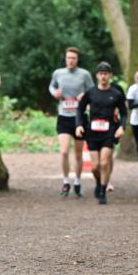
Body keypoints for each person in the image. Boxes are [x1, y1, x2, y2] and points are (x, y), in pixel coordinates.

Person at [75, 62, 126, 204]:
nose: (103, 76)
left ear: (110, 75)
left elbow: (124, 112)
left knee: (104, 163)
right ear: (97, 76)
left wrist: (122, 127)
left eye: (106, 73)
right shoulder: (90, 93)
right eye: (101, 74)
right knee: (95, 166)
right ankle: (98, 182)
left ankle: (103, 191)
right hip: (92, 131)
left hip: (109, 131)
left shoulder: (116, 93)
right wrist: (79, 125)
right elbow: (80, 109)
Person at [48, 47, 93, 197]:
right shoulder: (58, 73)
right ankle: (66, 181)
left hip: (79, 118)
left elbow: (93, 92)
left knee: (78, 154)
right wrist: (55, 93)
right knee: (64, 151)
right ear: (65, 59)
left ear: (77, 59)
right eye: (68, 58)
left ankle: (78, 181)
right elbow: (52, 86)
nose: (70, 60)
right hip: (63, 117)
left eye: (73, 58)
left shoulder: (84, 74)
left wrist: (84, 96)